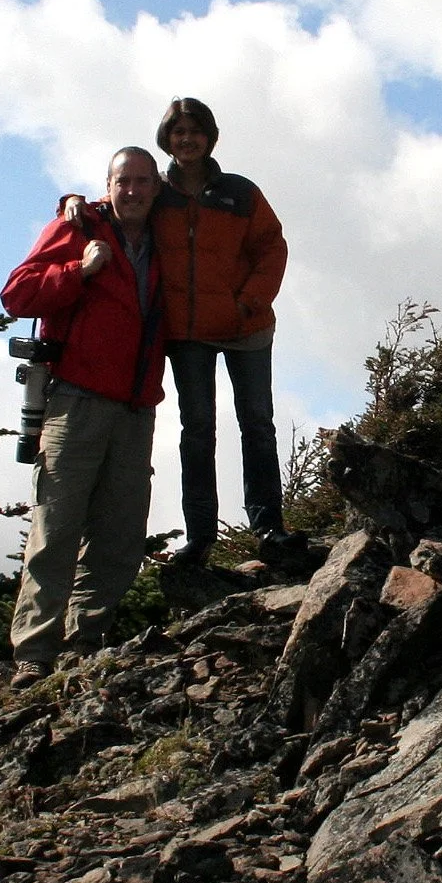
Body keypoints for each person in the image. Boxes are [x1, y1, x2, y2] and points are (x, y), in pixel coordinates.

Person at [0, 147, 166, 685]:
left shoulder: (164, 235)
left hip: (136, 405)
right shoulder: (79, 226)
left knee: (119, 530)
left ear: (156, 188)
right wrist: (79, 269)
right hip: (76, 397)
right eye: (125, 181)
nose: (134, 191)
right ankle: (34, 651)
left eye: (144, 182)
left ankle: (85, 640)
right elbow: (17, 294)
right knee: (58, 523)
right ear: (108, 185)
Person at [150, 97, 299, 566]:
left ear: (210, 137)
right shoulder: (156, 194)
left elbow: (272, 248)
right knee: (197, 431)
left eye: (195, 131)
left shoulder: (240, 192)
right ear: (167, 140)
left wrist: (248, 302)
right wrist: (69, 201)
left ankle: (269, 529)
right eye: (179, 132)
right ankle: (200, 538)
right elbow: (112, 205)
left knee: (256, 425)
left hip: (245, 328)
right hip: (188, 333)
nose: (187, 140)